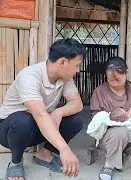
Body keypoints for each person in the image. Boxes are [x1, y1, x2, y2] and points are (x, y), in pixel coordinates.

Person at [0, 38, 85, 180]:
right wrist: (64, 149)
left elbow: (77, 104)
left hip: (38, 127)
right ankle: (15, 163)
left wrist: (59, 112)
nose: (78, 70)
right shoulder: (29, 76)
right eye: (77, 65)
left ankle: (44, 155)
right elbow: (40, 115)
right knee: (23, 120)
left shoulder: (65, 77)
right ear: (63, 62)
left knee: (75, 121)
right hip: (9, 131)